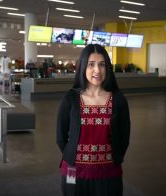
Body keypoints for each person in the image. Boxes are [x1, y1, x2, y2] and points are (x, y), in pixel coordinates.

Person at [56, 44, 130, 196]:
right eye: (91, 64)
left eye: (102, 64)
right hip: (72, 169)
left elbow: (124, 138)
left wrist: (113, 157)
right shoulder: (70, 99)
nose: (97, 70)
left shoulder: (118, 99)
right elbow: (60, 138)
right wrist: (73, 156)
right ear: (83, 67)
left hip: (109, 172)